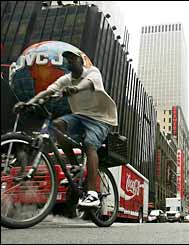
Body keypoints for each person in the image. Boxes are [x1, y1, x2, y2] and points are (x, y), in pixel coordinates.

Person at [14, 50, 118, 207]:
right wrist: (30, 102)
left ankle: (92, 193)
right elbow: (48, 90)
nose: (69, 62)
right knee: (56, 126)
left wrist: (75, 89)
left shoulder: (93, 72)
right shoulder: (66, 79)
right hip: (80, 116)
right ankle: (75, 165)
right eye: (67, 60)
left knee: (90, 144)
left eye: (72, 59)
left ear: (81, 61)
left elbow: (88, 83)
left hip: (100, 119)